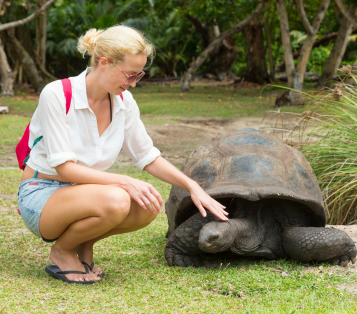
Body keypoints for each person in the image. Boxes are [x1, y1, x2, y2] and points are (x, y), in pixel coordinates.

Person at [17, 25, 228, 284]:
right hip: (42, 192)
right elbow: (65, 169)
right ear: (104, 63)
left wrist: (191, 185)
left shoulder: (124, 103)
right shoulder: (57, 94)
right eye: (129, 75)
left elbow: (147, 156)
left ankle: (84, 244)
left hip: (87, 194)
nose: (134, 84)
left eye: (139, 75)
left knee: (147, 204)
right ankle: (61, 251)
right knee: (118, 198)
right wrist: (126, 181)